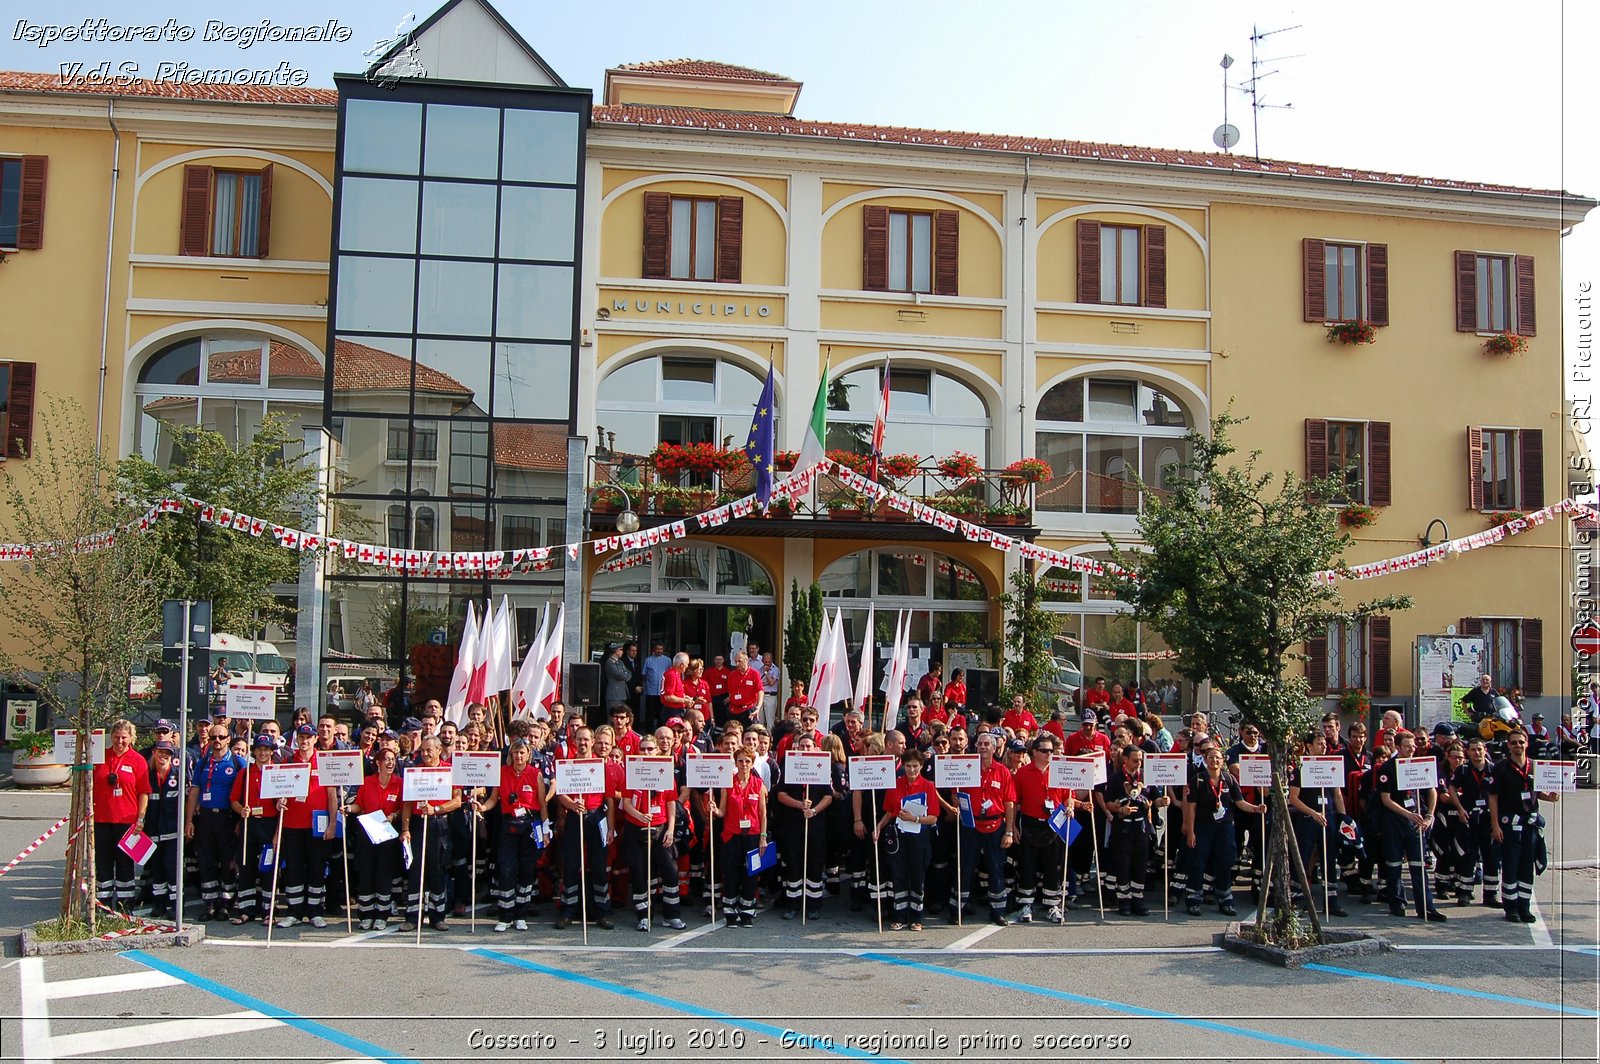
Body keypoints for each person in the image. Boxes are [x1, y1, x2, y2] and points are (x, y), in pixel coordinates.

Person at [1183, 739, 1264, 916]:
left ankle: (1225, 899)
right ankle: (1194, 899)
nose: (1214, 761)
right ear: (1205, 760)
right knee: (1198, 863)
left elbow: (1240, 802)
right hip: (1203, 827)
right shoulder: (1198, 780)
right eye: (1211, 758)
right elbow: (1191, 807)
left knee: (1225, 861)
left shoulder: (1229, 779)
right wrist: (1191, 831)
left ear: (1222, 760)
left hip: (1225, 827)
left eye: (1218, 758)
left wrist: (1256, 808)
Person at [1374, 729, 1448, 922]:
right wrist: (1407, 814)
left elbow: (1432, 790)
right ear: (1397, 747)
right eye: (1407, 746)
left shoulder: (1422, 764)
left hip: (1416, 822)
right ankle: (1397, 902)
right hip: (1395, 821)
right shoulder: (1387, 768)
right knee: (1394, 863)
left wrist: (1429, 815)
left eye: (1413, 746)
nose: (1411, 750)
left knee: (1419, 864)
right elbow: (1386, 799)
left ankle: (1426, 907)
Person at [1490, 728, 1560, 923]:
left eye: (1521, 742)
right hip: (1509, 825)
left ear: (1527, 743)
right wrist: (1495, 825)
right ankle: (1510, 907)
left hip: (1530, 825)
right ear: (1508, 745)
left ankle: (1524, 906)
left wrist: (1551, 797)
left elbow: (1538, 793)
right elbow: (1493, 797)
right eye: (1514, 743)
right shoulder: (1501, 768)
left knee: (1526, 867)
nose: (1518, 746)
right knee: (1511, 866)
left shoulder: (1535, 767)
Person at [618, 732, 685, 931]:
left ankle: (671, 915)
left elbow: (671, 803)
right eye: (643, 748)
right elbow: (626, 802)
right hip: (636, 828)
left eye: (650, 749)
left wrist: (671, 830)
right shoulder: (632, 772)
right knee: (639, 873)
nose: (647, 752)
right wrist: (639, 816)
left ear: (657, 751)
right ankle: (644, 915)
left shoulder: (665, 772)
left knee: (670, 871)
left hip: (661, 828)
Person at [478, 737, 546, 932]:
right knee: (507, 869)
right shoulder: (501, 773)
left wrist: (546, 829)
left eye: (522, 752)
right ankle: (505, 916)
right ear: (511, 755)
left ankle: (520, 915)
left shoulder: (536, 774)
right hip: (508, 825)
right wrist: (482, 807)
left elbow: (542, 804)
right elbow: (493, 800)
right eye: (515, 752)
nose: (518, 756)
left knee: (527, 869)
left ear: (528, 755)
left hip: (530, 826)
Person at [950, 731, 1017, 927]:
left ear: (994, 748)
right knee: (965, 867)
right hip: (970, 825)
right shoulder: (966, 767)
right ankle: (957, 909)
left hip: (995, 825)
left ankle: (998, 911)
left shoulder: (1003, 772)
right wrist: (955, 797)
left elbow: (1010, 803)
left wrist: (1009, 831)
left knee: (996, 868)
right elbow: (956, 792)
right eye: (979, 743)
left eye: (987, 744)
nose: (982, 747)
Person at [397, 736, 461, 931]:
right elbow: (407, 804)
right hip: (418, 823)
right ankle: (412, 916)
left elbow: (457, 801)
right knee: (415, 870)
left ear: (439, 749)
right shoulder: (415, 772)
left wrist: (437, 808)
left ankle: (437, 915)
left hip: (437, 823)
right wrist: (406, 829)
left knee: (437, 869)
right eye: (422, 750)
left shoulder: (449, 771)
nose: (425, 754)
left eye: (429, 750)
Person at [553, 727, 613, 930]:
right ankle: (567, 910)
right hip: (574, 817)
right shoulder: (568, 765)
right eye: (579, 739)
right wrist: (571, 805)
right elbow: (560, 793)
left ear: (593, 741)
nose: (583, 743)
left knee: (598, 865)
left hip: (596, 817)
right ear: (574, 741)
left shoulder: (601, 765)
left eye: (586, 739)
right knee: (570, 865)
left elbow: (610, 800)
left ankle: (602, 911)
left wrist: (611, 827)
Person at [186, 722, 247, 921]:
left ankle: (226, 903)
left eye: (221, 737)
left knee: (228, 861)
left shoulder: (238, 763)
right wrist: (189, 821)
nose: (217, 741)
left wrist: (240, 821)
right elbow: (194, 791)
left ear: (229, 739)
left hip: (228, 818)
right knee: (206, 861)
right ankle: (210, 903)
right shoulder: (203, 763)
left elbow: (245, 795)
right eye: (213, 738)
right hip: (205, 817)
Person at [875, 746, 939, 931]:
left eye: (916, 766)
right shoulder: (895, 784)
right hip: (899, 836)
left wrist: (914, 818)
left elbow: (934, 816)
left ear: (921, 766)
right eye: (909, 766)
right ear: (904, 765)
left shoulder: (928, 786)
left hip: (919, 837)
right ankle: (899, 916)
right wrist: (878, 828)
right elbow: (889, 811)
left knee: (917, 875)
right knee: (898, 875)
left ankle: (916, 917)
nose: (912, 770)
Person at [92, 720, 151, 913]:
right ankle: (103, 905)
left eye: (124, 737)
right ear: (111, 737)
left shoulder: (138, 760)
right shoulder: (100, 757)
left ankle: (125, 907)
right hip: (101, 820)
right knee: (103, 863)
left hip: (127, 821)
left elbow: (144, 792)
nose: (120, 741)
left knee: (125, 864)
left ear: (131, 738)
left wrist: (140, 819)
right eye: (116, 737)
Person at [1012, 733, 1071, 924]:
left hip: (1054, 823)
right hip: (1029, 823)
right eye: (1045, 751)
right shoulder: (1022, 773)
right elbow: (1013, 802)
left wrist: (1070, 805)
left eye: (1051, 751)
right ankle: (1025, 904)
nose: (1049, 754)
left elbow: (1067, 796)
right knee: (1027, 865)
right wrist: (1013, 826)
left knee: (1052, 865)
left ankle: (1053, 905)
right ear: (1035, 752)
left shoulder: (1059, 771)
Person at [1289, 733, 1349, 917]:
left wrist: (1344, 818)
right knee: (1303, 858)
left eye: (1325, 744)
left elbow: (1337, 794)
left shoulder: (1332, 765)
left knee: (1329, 859)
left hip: (1329, 817)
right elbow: (1293, 798)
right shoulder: (1300, 768)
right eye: (1319, 744)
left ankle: (1331, 902)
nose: (1323, 747)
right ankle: (1299, 900)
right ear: (1309, 746)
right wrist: (1313, 813)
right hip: (1308, 818)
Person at [1106, 744, 1169, 916]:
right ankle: (1124, 900)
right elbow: (1108, 803)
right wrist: (1119, 810)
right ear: (1125, 760)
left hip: (1142, 827)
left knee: (1140, 864)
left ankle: (1138, 899)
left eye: (1140, 760)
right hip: (1123, 827)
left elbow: (1154, 799)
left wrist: (1162, 802)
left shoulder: (1147, 776)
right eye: (1135, 760)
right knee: (1123, 863)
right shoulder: (1116, 778)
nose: (1138, 763)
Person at [775, 733, 832, 918]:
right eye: (802, 746)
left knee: (814, 864)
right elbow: (781, 794)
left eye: (808, 746)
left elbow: (828, 796)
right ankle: (793, 904)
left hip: (815, 823)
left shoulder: (822, 766)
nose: (805, 749)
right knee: (794, 864)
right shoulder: (789, 766)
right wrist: (799, 804)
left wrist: (814, 810)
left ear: (815, 748)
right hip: (794, 824)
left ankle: (813, 904)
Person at [349, 744, 405, 930]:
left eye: (392, 759)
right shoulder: (366, 782)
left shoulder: (400, 783)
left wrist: (394, 816)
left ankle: (382, 915)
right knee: (367, 873)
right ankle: (366, 914)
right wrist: (348, 808)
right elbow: (359, 805)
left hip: (388, 835)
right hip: (368, 834)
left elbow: (403, 808)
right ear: (378, 763)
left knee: (384, 874)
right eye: (386, 759)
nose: (390, 762)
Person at [718, 746, 768, 927]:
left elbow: (763, 813)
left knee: (751, 873)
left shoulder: (758, 784)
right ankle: (730, 911)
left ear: (752, 763)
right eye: (740, 761)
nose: (744, 764)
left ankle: (747, 910)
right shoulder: (727, 784)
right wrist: (713, 810)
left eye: (747, 761)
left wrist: (763, 837)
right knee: (731, 873)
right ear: (735, 762)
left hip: (753, 835)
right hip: (732, 835)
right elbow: (722, 811)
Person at [142, 740, 184, 920]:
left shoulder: (178, 775)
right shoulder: (147, 775)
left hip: (173, 831)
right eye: (160, 752)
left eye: (167, 753)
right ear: (154, 752)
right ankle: (158, 903)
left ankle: (175, 905)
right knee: (157, 869)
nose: (163, 756)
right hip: (153, 831)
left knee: (172, 868)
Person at [726, 651, 764, 731]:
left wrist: (758, 708)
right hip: (734, 710)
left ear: (746, 661)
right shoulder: (732, 675)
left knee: (749, 733)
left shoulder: (754, 674)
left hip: (748, 710)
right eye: (735, 661)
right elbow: (730, 692)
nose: (737, 664)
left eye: (739, 661)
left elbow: (760, 691)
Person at [642, 642, 672, 729]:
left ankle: (660, 730)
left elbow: (670, 674)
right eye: (657, 649)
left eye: (661, 649)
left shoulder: (667, 660)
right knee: (650, 713)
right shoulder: (648, 660)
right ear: (654, 650)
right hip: (651, 691)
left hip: (662, 692)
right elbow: (644, 674)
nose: (659, 651)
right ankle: (649, 731)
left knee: (661, 713)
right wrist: (650, 680)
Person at [602, 644, 632, 708]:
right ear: (616, 651)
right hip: (614, 694)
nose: (622, 652)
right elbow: (620, 675)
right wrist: (625, 674)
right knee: (613, 715)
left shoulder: (620, 662)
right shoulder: (610, 663)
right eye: (621, 650)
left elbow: (629, 673)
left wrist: (625, 675)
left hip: (622, 694)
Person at [759, 652, 782, 729]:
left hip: (770, 696)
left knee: (770, 720)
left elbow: (771, 682)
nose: (767, 663)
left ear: (772, 660)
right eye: (765, 661)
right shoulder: (759, 670)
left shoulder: (775, 670)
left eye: (769, 661)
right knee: (760, 719)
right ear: (762, 661)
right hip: (761, 696)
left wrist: (766, 673)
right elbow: (758, 683)